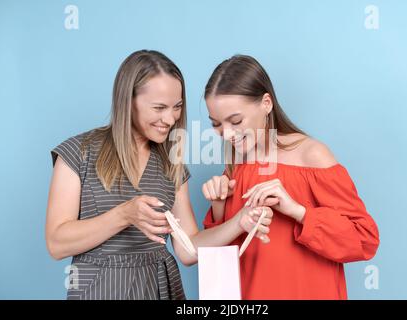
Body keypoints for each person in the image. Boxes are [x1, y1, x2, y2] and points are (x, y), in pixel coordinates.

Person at [45, 50, 272, 300]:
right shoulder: (79, 152)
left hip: (159, 289)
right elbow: (56, 243)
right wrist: (124, 214)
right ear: (128, 101)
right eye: (159, 107)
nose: (170, 119)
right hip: (99, 289)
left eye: (177, 107)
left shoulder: (170, 164)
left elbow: (188, 251)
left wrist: (239, 221)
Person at [201, 54, 380, 299]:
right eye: (216, 124)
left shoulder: (312, 155)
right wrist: (218, 206)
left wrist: (299, 211)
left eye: (235, 120)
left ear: (266, 103)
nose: (227, 134)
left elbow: (364, 238)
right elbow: (224, 259)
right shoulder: (237, 164)